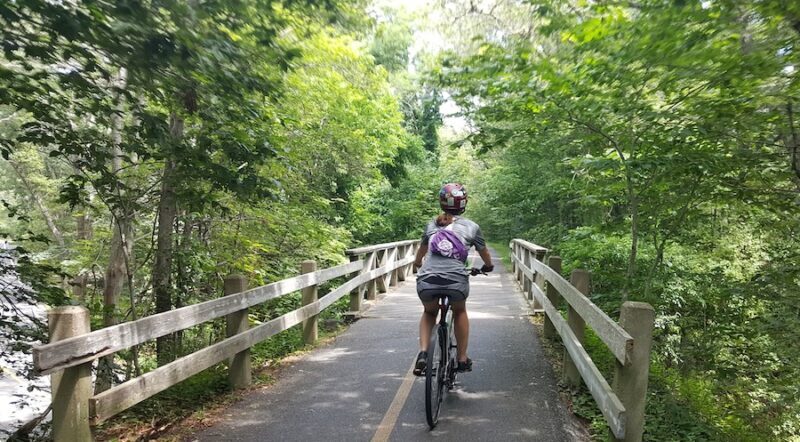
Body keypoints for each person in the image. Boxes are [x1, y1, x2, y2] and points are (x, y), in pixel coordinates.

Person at [412, 183, 494, 376]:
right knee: (459, 312)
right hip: (456, 281)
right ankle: (462, 359)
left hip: (427, 280)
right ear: (463, 204)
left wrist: (417, 264)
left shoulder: (432, 225)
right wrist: (488, 266)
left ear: (442, 202)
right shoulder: (472, 227)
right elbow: (485, 254)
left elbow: (420, 254)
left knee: (429, 313)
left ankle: (423, 353)